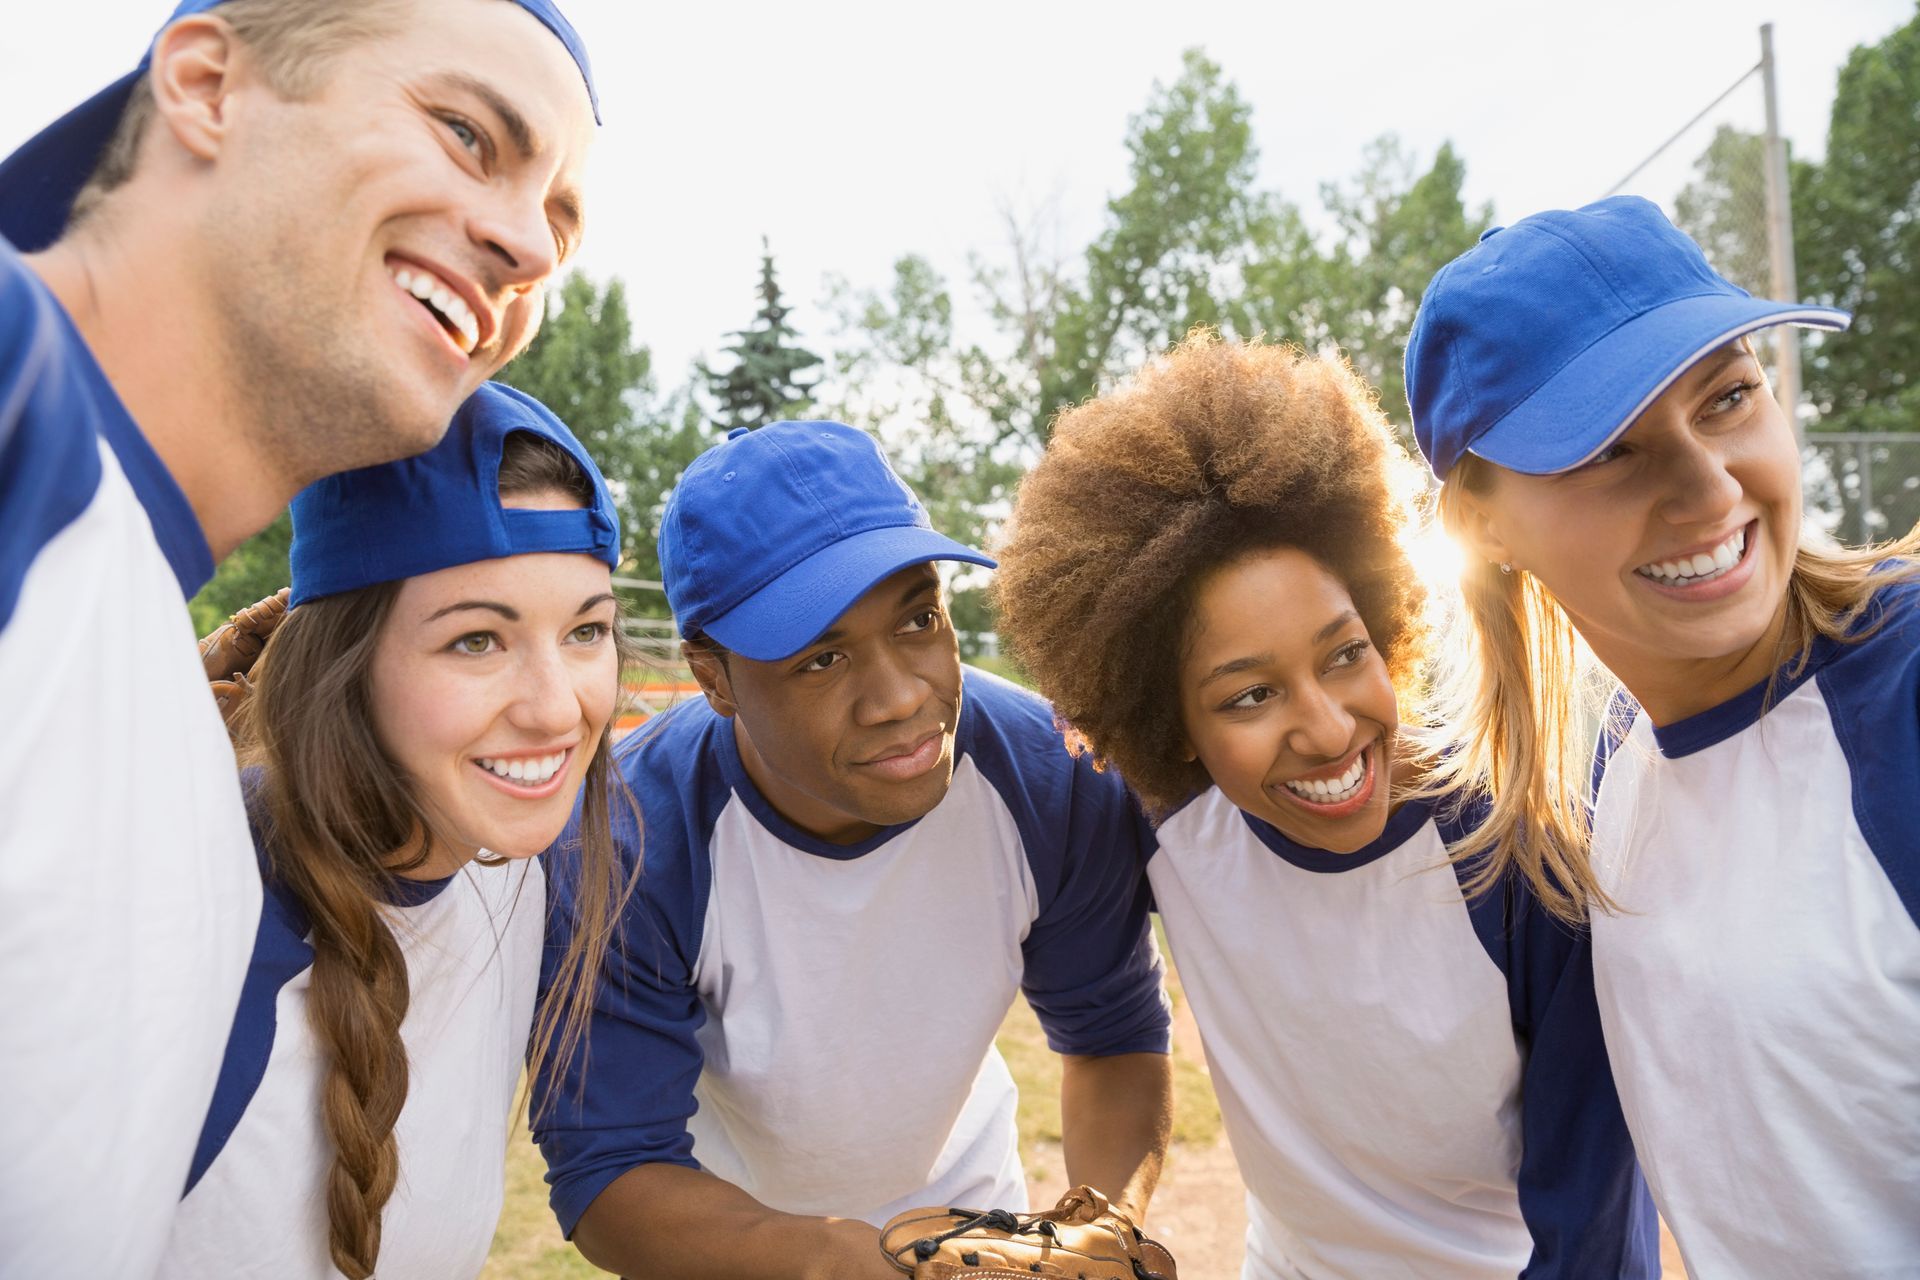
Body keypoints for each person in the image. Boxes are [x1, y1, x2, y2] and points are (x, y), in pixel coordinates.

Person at [0, 2, 597, 1272]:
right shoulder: (21, 411)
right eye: (465, 132)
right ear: (210, 86)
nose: (525, 246)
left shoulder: (154, 711)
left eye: (559, 213)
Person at [990, 333, 1656, 1279]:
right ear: (1167, 726)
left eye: (1345, 654)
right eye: (1248, 695)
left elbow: (1592, 1219)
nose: (1327, 729)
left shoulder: (1518, 858)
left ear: (1387, 623)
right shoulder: (1164, 820)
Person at [1407, 194, 1919, 1277]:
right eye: (1611, 448)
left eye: (1729, 395)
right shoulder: (1615, 770)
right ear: (1482, 523)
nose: (1708, 485)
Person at [533, 421, 1174, 1280]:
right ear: (715, 676)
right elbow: (610, 1172)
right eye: (822, 658)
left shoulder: (1050, 779)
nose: (900, 697)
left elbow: (1112, 1036)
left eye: (918, 619)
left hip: (978, 1221)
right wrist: (857, 1263)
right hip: (737, 1248)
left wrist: (1098, 1226)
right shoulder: (625, 842)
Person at [169, 382, 633, 1280]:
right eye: (476, 641)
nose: (555, 708)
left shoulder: (520, 861)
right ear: (344, 666)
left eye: (587, 630)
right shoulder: (186, 933)